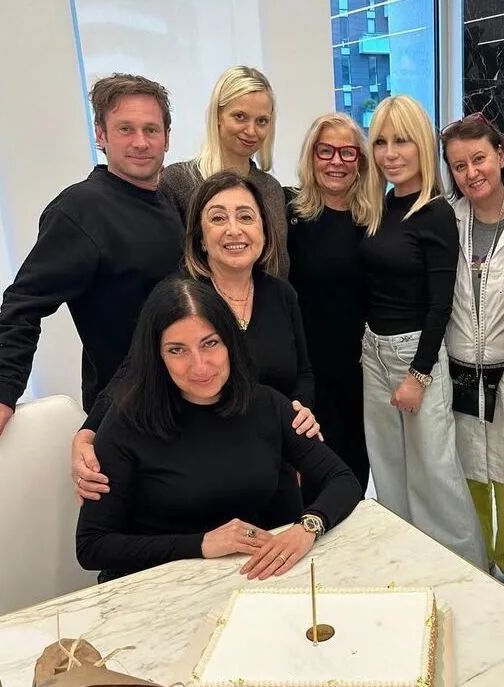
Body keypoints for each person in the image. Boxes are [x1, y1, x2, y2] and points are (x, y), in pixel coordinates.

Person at [0, 73, 182, 457]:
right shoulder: (81, 210)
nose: (141, 142)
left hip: (182, 406)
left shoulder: (169, 202)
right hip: (127, 420)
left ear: (167, 137)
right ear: (101, 135)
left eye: (151, 130)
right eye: (125, 129)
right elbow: (23, 304)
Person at [72, 172, 318, 527]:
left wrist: (301, 415)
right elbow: (133, 372)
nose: (234, 230)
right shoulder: (178, 297)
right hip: (195, 482)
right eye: (218, 218)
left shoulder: (281, 294)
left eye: (245, 217)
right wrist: (88, 432)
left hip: (272, 471)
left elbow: (303, 373)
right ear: (200, 237)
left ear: (265, 230)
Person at [76, 277, 360, 582]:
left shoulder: (267, 404)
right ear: (157, 356)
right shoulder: (126, 423)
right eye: (177, 350)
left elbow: (343, 480)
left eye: (210, 343)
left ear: (229, 343)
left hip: (251, 576)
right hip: (162, 586)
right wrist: (201, 544)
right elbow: (92, 546)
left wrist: (308, 527)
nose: (199, 366)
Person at [357, 95, 486, 568]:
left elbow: (440, 304)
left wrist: (418, 374)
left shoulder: (434, 212)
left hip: (415, 355)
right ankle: (406, 568)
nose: (390, 154)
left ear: (423, 147)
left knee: (435, 475)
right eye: (381, 142)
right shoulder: (381, 206)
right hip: (373, 350)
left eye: (402, 141)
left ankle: (464, 574)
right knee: (388, 471)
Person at [440, 113, 504, 583]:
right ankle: (476, 573)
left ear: (500, 155)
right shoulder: (445, 220)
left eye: (479, 159)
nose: (471, 173)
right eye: (459, 166)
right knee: (468, 478)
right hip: (457, 377)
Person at [286, 113, 374, 494]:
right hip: (305, 374)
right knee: (308, 485)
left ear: (360, 161)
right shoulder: (288, 215)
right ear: (312, 156)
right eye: (326, 151)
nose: (336, 161)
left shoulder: (372, 220)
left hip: (360, 376)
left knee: (352, 480)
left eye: (347, 152)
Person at [160, 65, 289, 277]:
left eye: (262, 121)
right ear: (218, 116)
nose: (251, 131)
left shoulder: (271, 189)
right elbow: (172, 268)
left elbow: (279, 268)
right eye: (240, 116)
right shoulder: (178, 182)